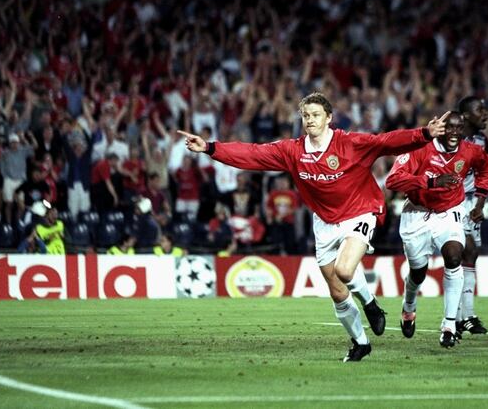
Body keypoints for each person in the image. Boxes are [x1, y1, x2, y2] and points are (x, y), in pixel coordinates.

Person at [179, 92, 447, 362]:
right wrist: (211, 148)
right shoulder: (293, 151)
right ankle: (361, 343)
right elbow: (253, 153)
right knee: (337, 291)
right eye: (306, 115)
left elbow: (387, 141)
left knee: (345, 270)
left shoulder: (350, 143)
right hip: (324, 222)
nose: (310, 120)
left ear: (329, 118)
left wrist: (425, 134)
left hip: (359, 212)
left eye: (316, 115)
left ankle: (370, 304)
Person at [385, 111, 488, 348]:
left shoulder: (470, 151)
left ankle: (449, 325)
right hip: (417, 212)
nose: (454, 133)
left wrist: (480, 202)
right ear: (440, 129)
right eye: (449, 128)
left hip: (449, 211)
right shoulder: (419, 148)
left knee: (454, 256)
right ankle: (409, 306)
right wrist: (431, 181)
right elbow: (392, 180)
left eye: (459, 128)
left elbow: (486, 168)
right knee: (418, 272)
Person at [456, 96, 488, 335]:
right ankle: (463, 316)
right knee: (465, 249)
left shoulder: (482, 142)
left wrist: (479, 205)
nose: (485, 113)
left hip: (471, 203)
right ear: (466, 115)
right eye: (480, 110)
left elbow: (484, 174)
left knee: (471, 255)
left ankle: (464, 316)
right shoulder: (450, 137)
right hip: (451, 201)